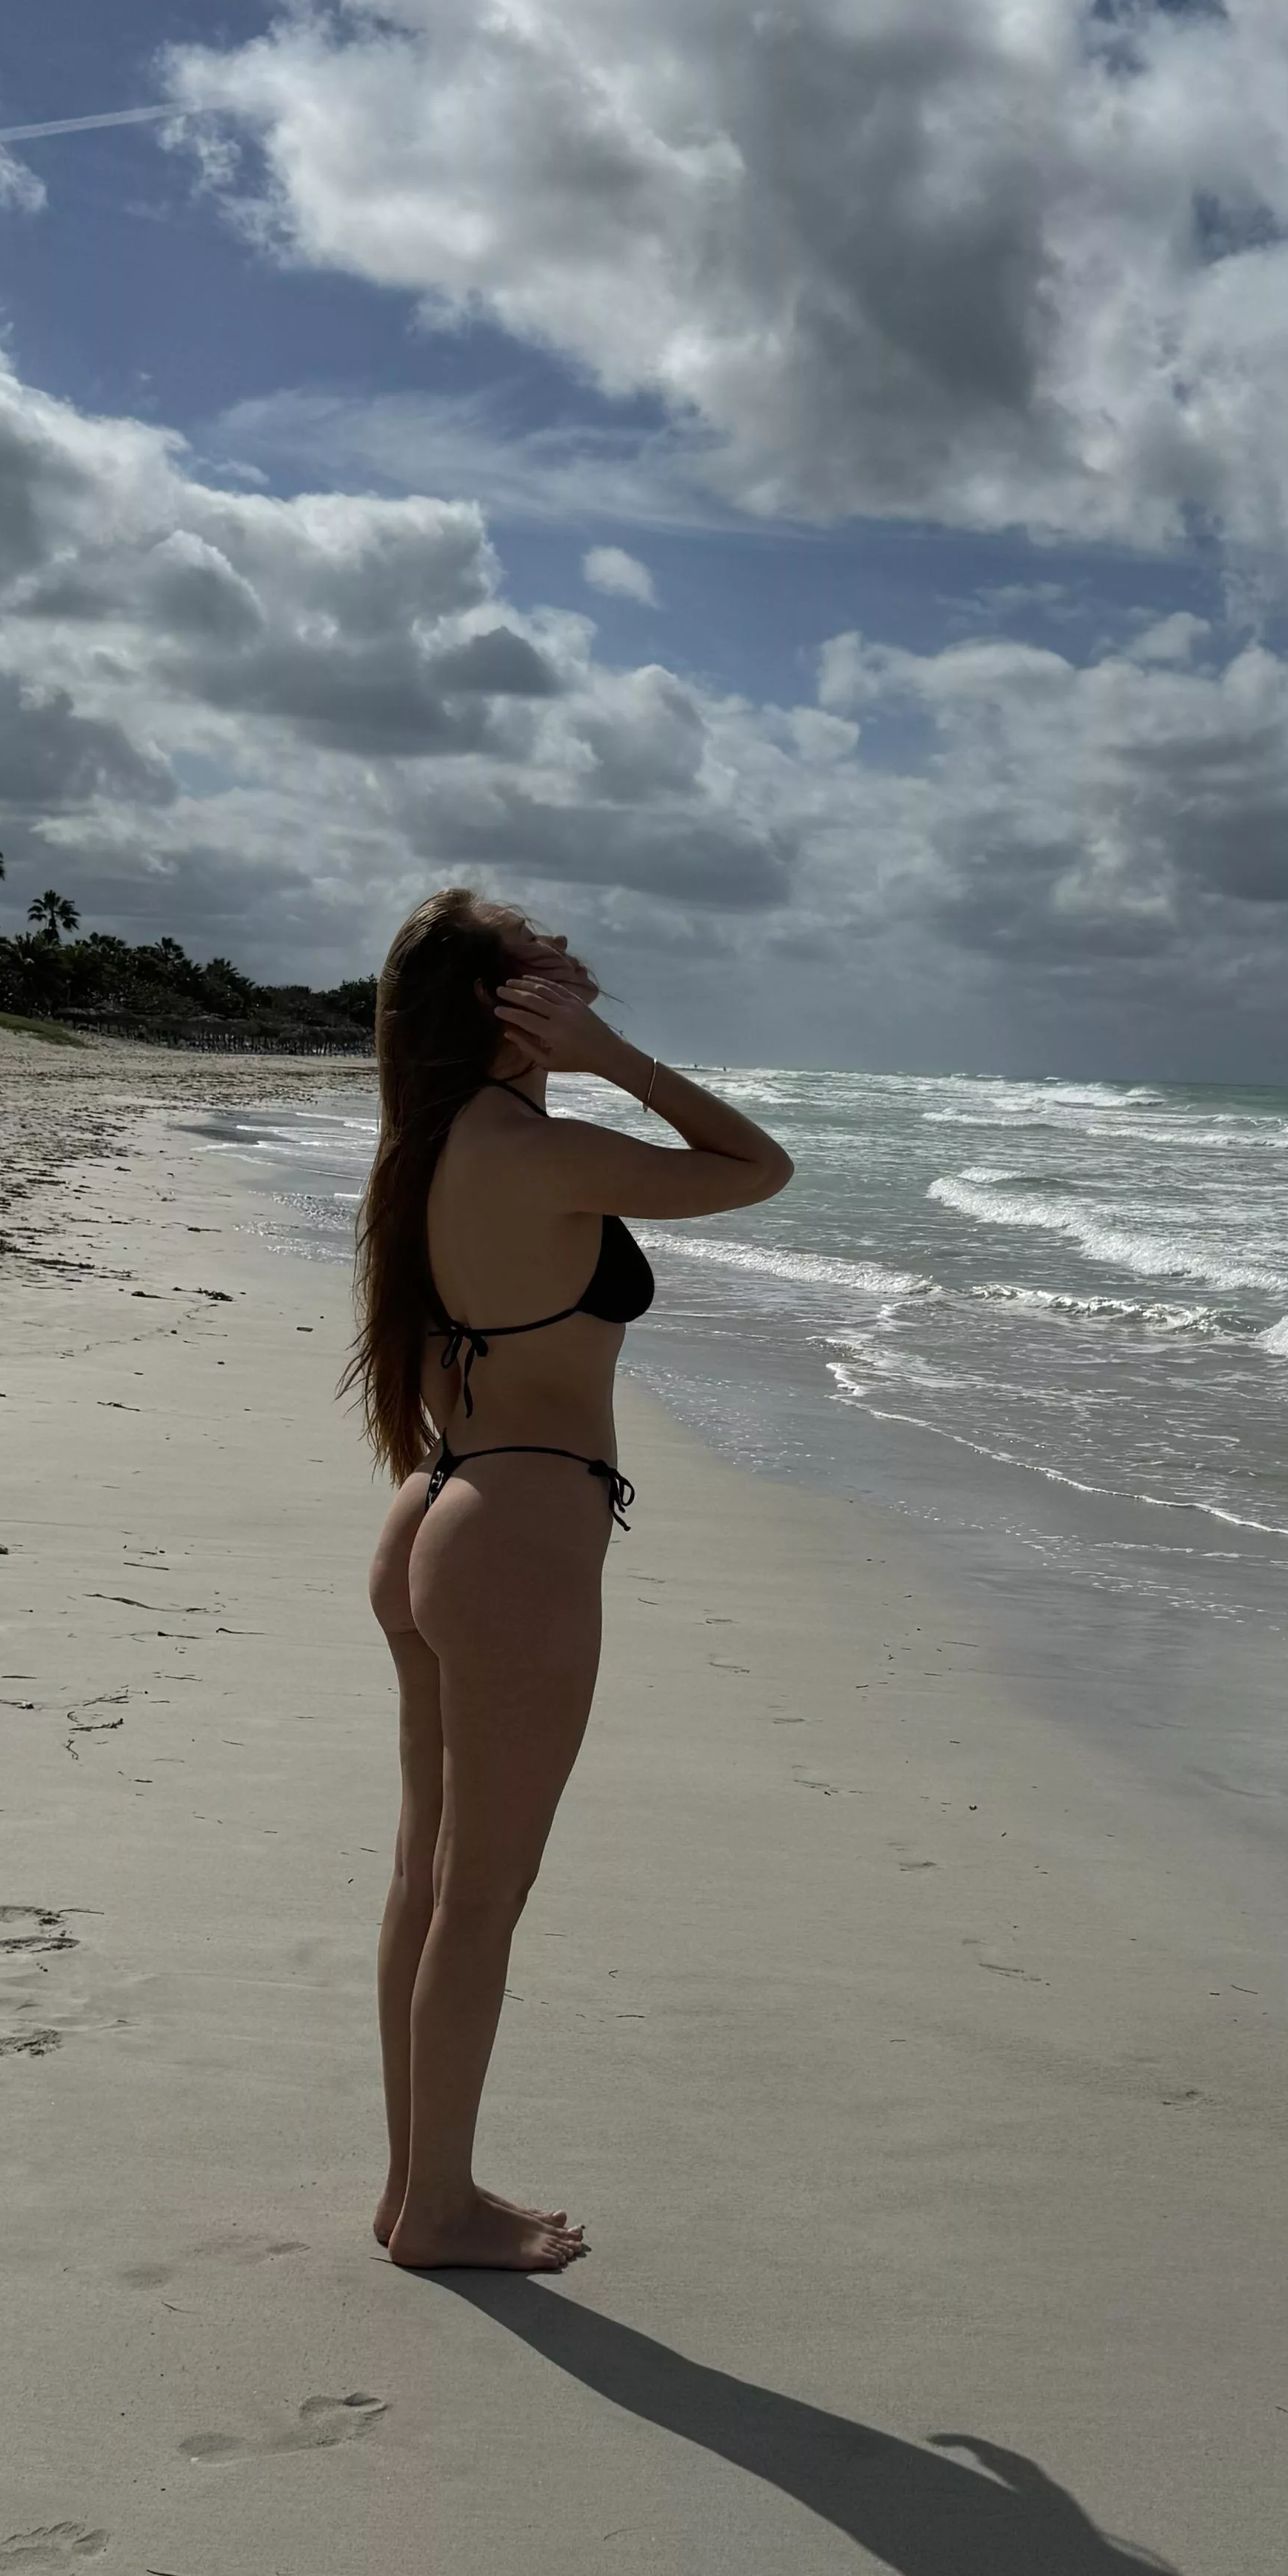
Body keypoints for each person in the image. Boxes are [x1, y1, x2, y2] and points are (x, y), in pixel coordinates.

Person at [350, 888, 793, 2269]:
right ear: (504, 1002)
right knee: (479, 1893)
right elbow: (757, 1166)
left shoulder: (429, 1146)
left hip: (440, 1511)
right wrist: (614, 1060)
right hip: (515, 1535)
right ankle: (437, 2207)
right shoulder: (535, 1151)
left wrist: (575, 1058)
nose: (571, 957)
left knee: (429, 1876)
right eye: (540, 954)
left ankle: (416, 2187)